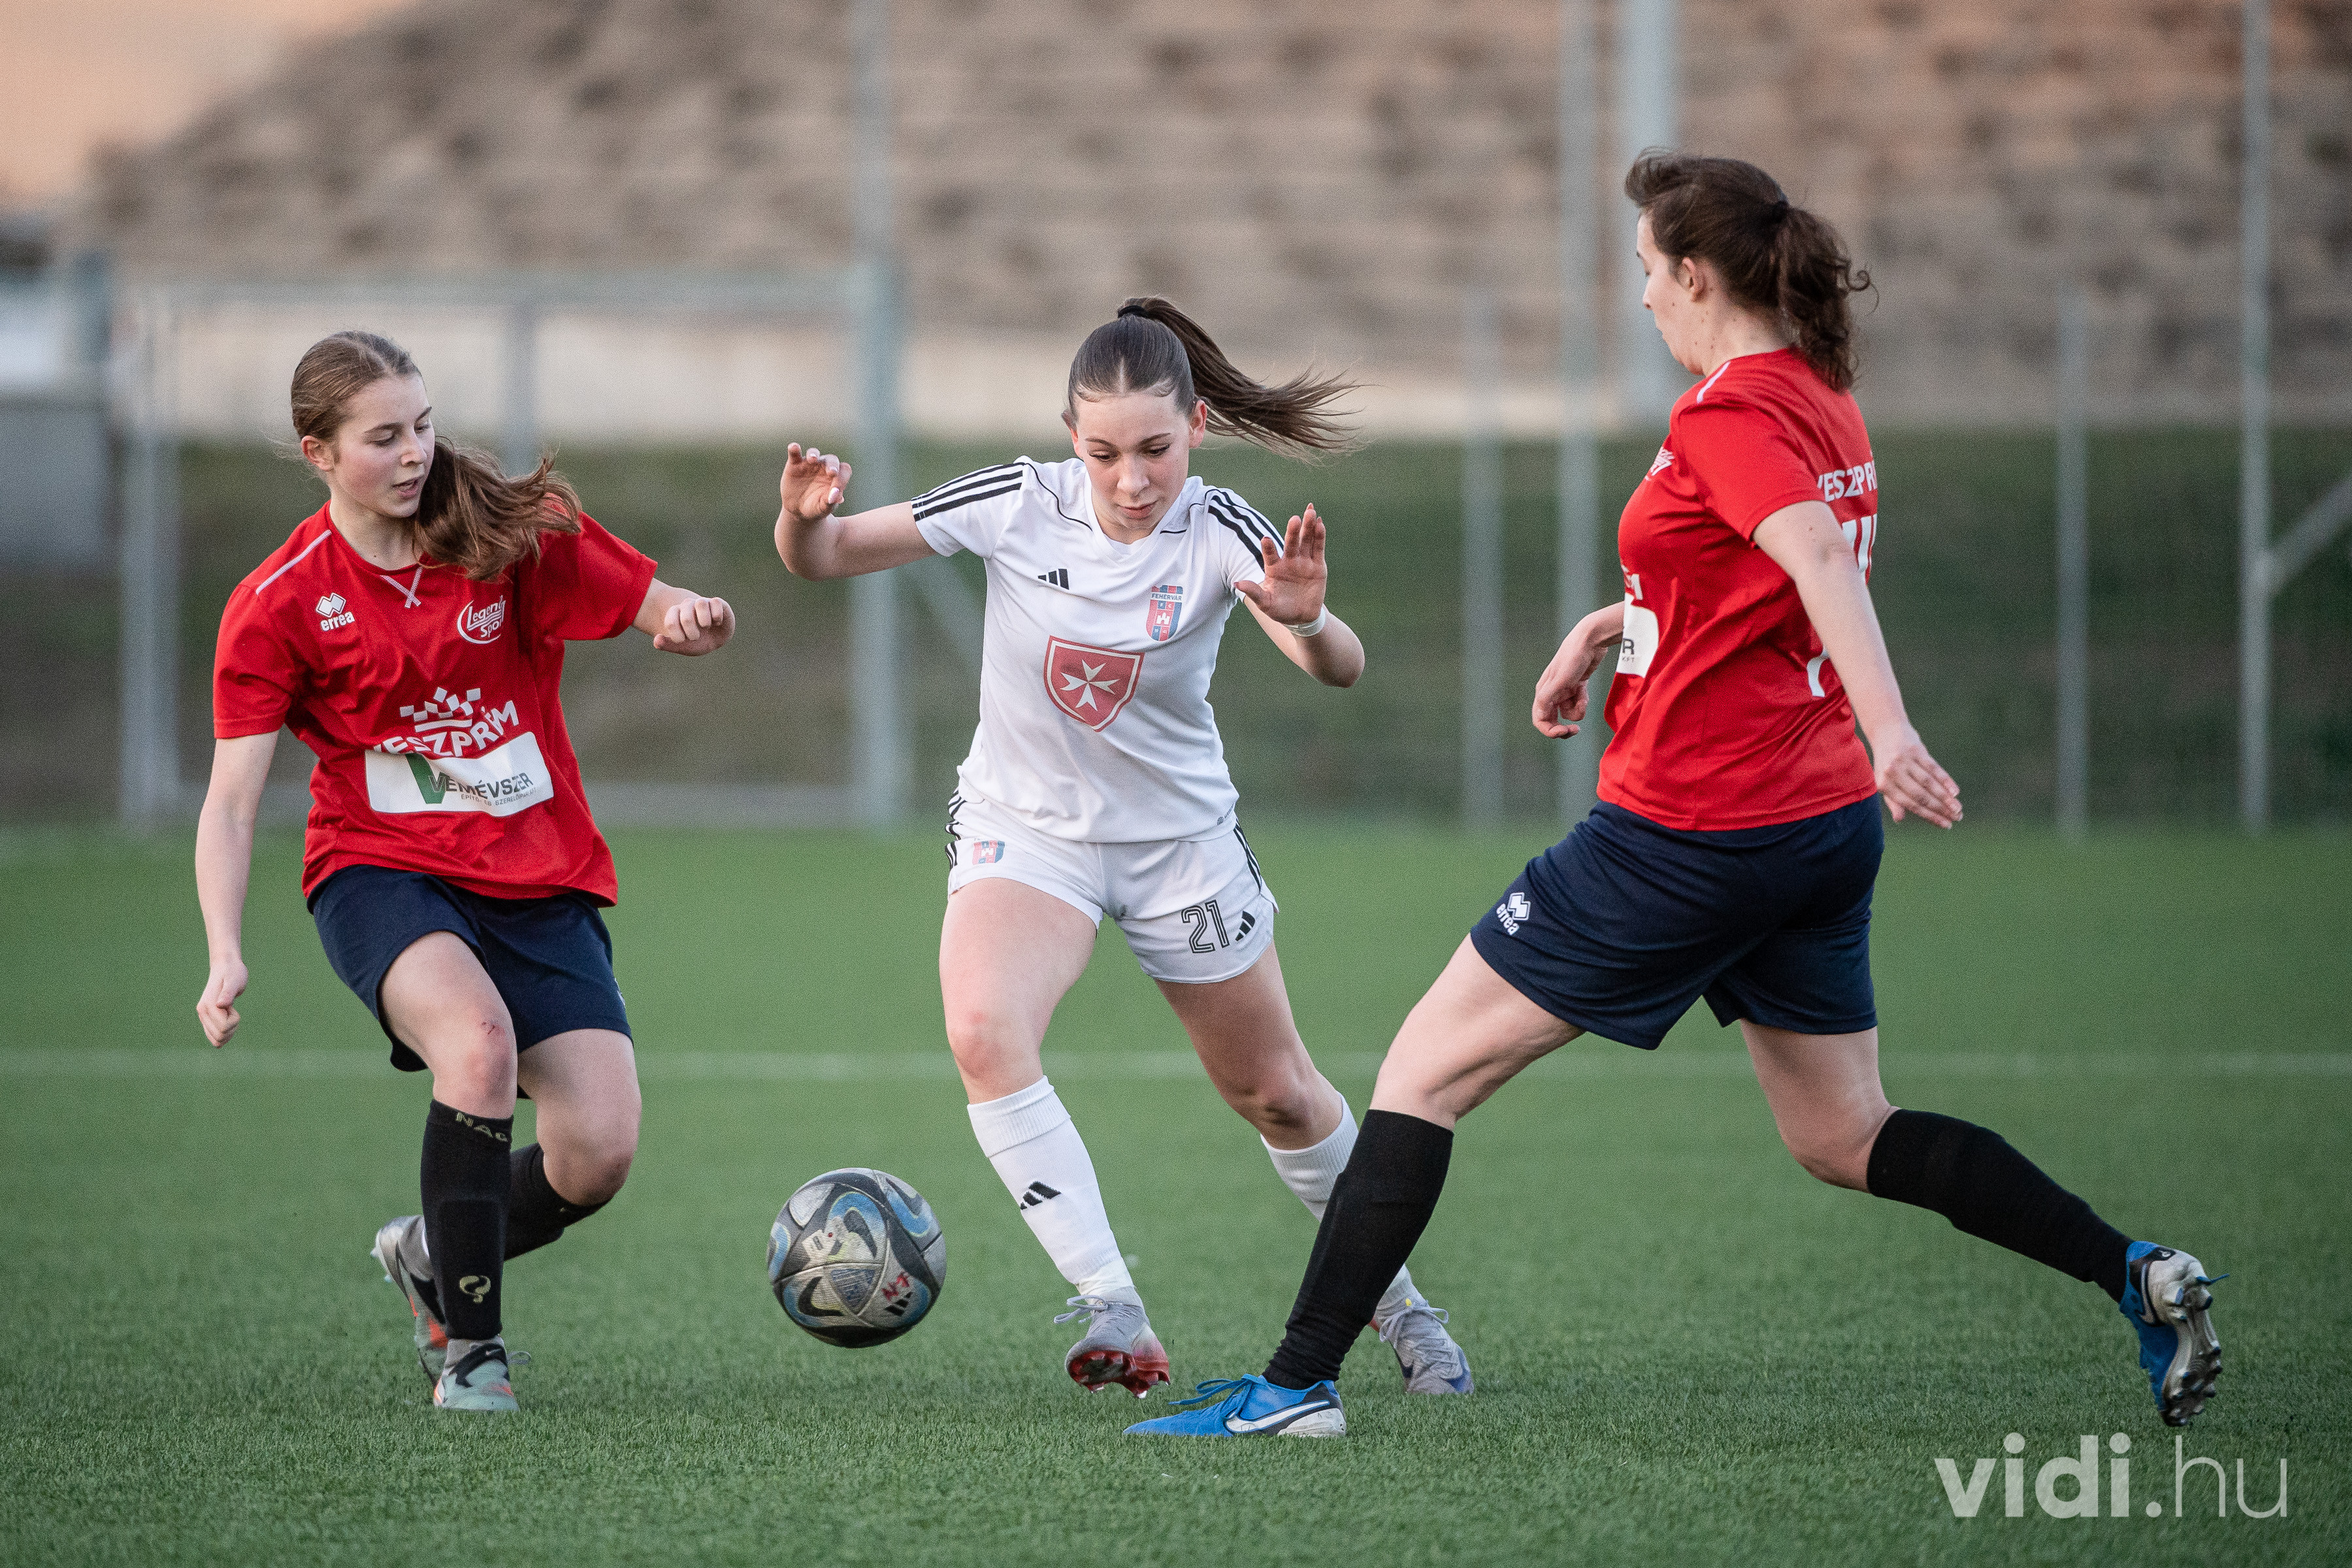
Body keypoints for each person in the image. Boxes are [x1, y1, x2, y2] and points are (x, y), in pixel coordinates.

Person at [1130, 155, 2221, 1439]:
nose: (1641, 294)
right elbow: (1749, 577)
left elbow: (1816, 560)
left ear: (1698, 275)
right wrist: (1611, 627)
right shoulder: (1819, 396)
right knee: (1842, 1132)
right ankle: (2135, 1273)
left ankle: (1296, 1387)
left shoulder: (1727, 417)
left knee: (1422, 1071)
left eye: (1649, 269)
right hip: (1816, 830)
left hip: (1693, 829)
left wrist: (1894, 731)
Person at [772, 298, 1471, 1398]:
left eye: (1154, 450)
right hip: (1028, 832)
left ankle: (1407, 1312)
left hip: (1178, 848)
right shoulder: (1017, 501)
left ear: (1197, 427)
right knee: (983, 1030)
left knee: (1280, 1096)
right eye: (1103, 454)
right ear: (1071, 439)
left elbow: (1337, 667)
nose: (1131, 480)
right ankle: (1112, 1303)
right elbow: (824, 557)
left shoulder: (1224, 527)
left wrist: (1307, 617)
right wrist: (801, 518)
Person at [195, 331, 736, 1413]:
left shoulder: (505, 536)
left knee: (597, 1152)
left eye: (424, 426)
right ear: (317, 453)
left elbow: (653, 599)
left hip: (537, 874)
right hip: (380, 872)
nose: (414, 453)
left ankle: (428, 1252)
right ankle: (473, 1353)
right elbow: (233, 800)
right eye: (383, 437)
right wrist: (224, 951)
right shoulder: (280, 601)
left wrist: (687, 619)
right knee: (477, 1045)